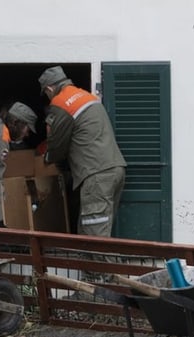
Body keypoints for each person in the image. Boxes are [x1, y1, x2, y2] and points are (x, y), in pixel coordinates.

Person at [38, 66, 126, 237]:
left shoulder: (61, 102)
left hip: (96, 176)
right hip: (115, 170)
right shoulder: (87, 96)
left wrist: (47, 158)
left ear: (49, 89)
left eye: (46, 94)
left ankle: (102, 265)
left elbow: (57, 144)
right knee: (88, 233)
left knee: (95, 239)